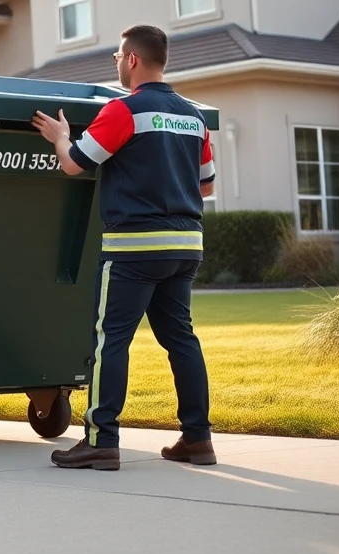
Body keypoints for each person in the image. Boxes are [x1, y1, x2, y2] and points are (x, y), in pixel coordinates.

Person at [30, 24, 217, 471]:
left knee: (110, 341)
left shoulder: (123, 111)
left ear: (132, 60)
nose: (115, 62)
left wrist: (60, 137)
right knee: (182, 341)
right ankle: (198, 439)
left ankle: (101, 439)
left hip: (134, 249)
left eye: (117, 55)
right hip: (185, 246)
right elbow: (206, 187)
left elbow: (75, 164)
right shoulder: (193, 117)